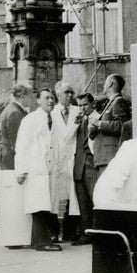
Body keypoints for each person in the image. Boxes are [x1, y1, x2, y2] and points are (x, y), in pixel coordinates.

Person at [14, 88, 62, 251]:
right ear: (38, 101)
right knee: (39, 205)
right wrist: (21, 170)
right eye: (47, 98)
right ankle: (42, 242)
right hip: (36, 170)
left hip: (49, 170)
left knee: (46, 205)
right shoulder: (30, 120)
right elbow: (22, 146)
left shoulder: (54, 120)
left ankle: (39, 240)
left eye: (53, 98)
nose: (50, 101)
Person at [50, 80, 81, 241]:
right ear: (58, 95)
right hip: (58, 160)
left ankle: (70, 232)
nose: (70, 95)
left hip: (73, 158)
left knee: (73, 196)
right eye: (66, 92)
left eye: (71, 92)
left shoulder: (78, 111)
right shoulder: (52, 113)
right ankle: (54, 232)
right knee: (55, 197)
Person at [89, 73, 131, 179]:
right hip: (105, 157)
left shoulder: (118, 102)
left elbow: (123, 125)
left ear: (110, 84)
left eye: (105, 83)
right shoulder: (112, 102)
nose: (104, 86)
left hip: (110, 157)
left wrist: (99, 124)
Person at [71, 93, 97, 245]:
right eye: (79, 105)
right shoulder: (79, 121)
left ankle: (97, 233)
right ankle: (85, 234)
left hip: (91, 164)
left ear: (92, 104)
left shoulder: (98, 117)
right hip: (79, 166)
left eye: (85, 105)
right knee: (82, 202)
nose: (81, 108)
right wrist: (75, 124)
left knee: (95, 200)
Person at [0, 82, 35, 171]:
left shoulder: (10, 109)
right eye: (30, 95)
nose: (32, 98)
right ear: (23, 96)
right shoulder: (15, 113)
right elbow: (17, 142)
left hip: (8, 157)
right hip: (12, 159)